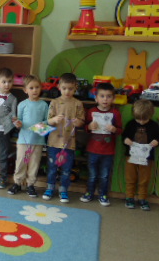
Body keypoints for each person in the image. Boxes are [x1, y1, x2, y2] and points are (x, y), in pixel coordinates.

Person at [44, 72, 85, 203]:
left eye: (70, 89)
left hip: (69, 143)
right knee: (52, 168)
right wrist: (54, 119)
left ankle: (63, 190)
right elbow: (48, 121)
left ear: (75, 88)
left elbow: (82, 121)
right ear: (59, 87)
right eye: (64, 88)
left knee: (66, 169)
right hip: (54, 142)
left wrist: (78, 122)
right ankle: (50, 188)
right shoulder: (54, 102)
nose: (67, 91)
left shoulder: (78, 103)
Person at [80, 82, 122, 206]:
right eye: (102, 96)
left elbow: (120, 130)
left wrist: (114, 129)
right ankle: (89, 193)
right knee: (92, 175)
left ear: (113, 99)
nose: (105, 99)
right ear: (96, 98)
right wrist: (89, 126)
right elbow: (85, 127)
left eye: (109, 96)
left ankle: (103, 194)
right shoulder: (91, 111)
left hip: (108, 151)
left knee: (104, 175)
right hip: (93, 149)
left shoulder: (116, 113)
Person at [9, 74, 49, 198]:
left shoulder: (44, 105)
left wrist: (41, 126)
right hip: (23, 140)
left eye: (37, 87)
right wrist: (18, 123)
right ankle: (17, 182)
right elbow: (19, 120)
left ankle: (31, 184)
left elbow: (47, 121)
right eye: (31, 88)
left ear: (40, 88)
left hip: (38, 141)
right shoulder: (22, 104)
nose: (34, 90)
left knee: (34, 164)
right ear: (25, 90)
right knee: (21, 162)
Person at [122, 98, 159, 211]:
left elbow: (158, 138)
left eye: (145, 119)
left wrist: (156, 142)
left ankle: (142, 198)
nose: (141, 121)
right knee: (130, 178)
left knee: (144, 179)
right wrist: (126, 140)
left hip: (147, 158)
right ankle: (129, 197)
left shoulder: (154, 125)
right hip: (131, 156)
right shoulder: (131, 124)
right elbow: (124, 136)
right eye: (138, 119)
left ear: (150, 115)